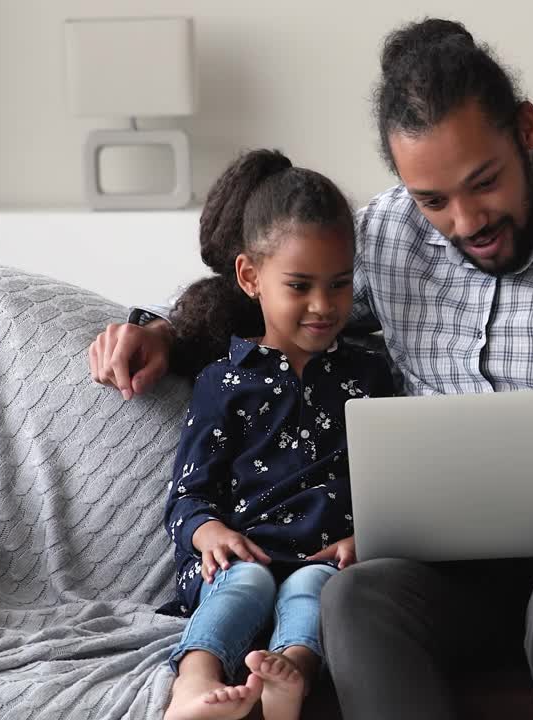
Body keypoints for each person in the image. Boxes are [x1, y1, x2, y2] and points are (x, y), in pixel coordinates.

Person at [91, 19, 533, 720]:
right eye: (433, 200)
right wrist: (169, 336)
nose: (465, 221)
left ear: (527, 130)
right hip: (458, 574)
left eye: (483, 183)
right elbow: (281, 300)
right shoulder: (390, 236)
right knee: (357, 596)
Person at [158, 149, 394, 720]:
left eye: (339, 285)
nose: (323, 305)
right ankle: (195, 680)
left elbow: (394, 485)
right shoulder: (223, 381)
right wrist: (209, 532)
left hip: (327, 559)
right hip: (241, 558)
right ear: (250, 277)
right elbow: (187, 494)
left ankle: (288, 678)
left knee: (318, 592)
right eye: (300, 286)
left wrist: (372, 538)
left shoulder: (369, 375)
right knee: (247, 585)